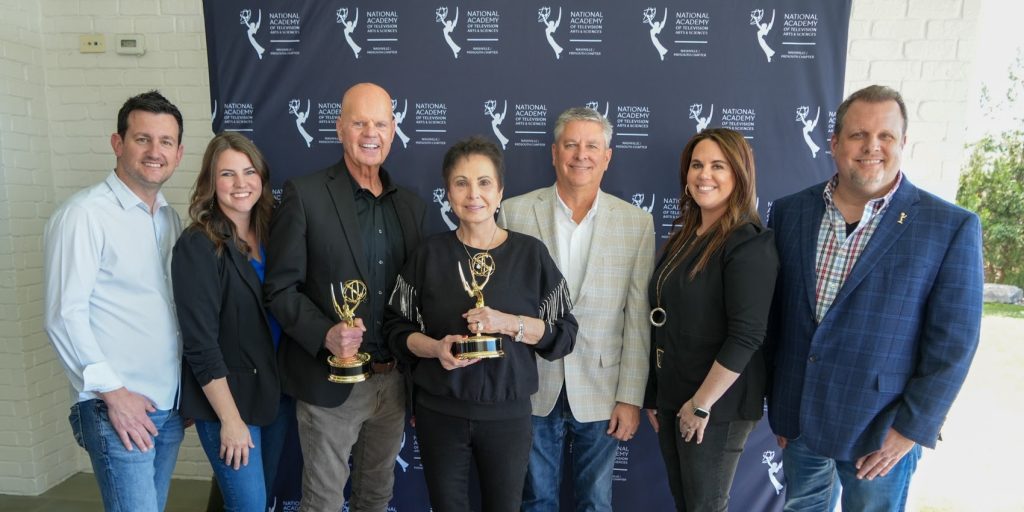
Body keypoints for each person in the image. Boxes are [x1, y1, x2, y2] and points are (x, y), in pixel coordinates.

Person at [766, 85, 983, 511]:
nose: (872, 147)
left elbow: (954, 343)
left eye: (885, 136)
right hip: (800, 421)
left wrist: (911, 429)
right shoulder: (790, 212)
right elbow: (777, 318)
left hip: (881, 431)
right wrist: (782, 406)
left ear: (903, 143)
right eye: (858, 135)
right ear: (834, 143)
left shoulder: (948, 226)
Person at [385, 136, 577, 512]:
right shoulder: (428, 254)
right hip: (440, 413)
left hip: (508, 416)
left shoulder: (530, 254)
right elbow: (396, 329)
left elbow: (564, 333)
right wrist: (435, 348)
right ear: (448, 193)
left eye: (484, 182)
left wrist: (510, 323)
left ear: (500, 191)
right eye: (461, 183)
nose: (473, 194)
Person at [264, 82, 426, 512]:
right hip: (330, 383)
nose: (371, 133)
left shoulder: (412, 207)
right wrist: (326, 334)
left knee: (376, 498)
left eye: (380, 124)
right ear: (339, 128)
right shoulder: (305, 194)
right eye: (359, 123)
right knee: (322, 503)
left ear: (394, 130)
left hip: (394, 384)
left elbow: (417, 300)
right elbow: (279, 289)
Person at [501, 107, 654, 511]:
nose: (581, 154)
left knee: (596, 503)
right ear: (554, 153)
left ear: (607, 156)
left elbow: (638, 320)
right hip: (533, 385)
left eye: (592, 146)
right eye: (571, 145)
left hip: (603, 390)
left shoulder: (637, 224)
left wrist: (630, 398)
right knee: (536, 501)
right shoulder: (514, 212)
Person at [43, 90, 186, 511]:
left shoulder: (170, 218)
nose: (155, 151)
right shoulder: (84, 215)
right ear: (117, 143)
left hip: (167, 407)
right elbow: (63, 315)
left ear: (178, 154)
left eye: (165, 141)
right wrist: (114, 394)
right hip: (116, 407)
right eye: (143, 139)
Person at [643, 128, 778, 512]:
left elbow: (747, 335)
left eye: (718, 166)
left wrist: (701, 404)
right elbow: (663, 321)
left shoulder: (748, 242)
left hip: (716, 405)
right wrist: (656, 394)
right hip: (675, 396)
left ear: (739, 175)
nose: (704, 175)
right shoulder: (686, 236)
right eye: (697, 165)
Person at [172, 132, 292, 511]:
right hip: (229, 403)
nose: (241, 183)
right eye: (227, 174)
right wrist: (230, 419)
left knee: (253, 502)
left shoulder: (274, 234)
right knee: (249, 507)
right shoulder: (198, 244)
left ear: (261, 177)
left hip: (274, 393)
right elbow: (200, 344)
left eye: (248, 172)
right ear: (211, 182)